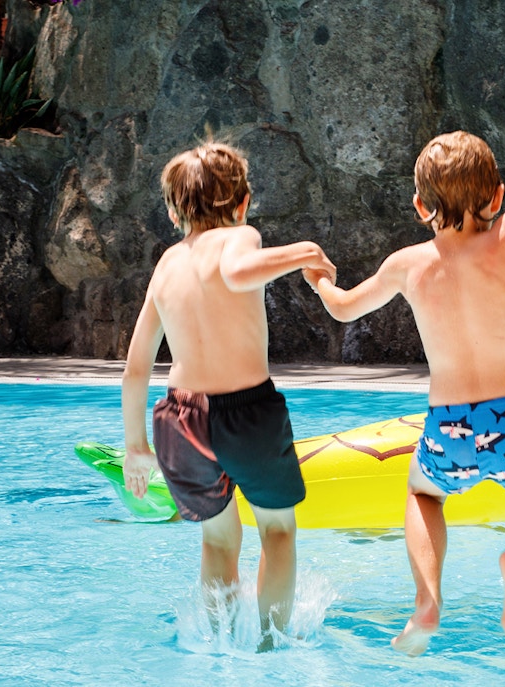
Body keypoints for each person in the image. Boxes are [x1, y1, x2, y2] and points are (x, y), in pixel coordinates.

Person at [303, 17, 505, 655]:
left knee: (421, 491)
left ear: (419, 208)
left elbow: (342, 311)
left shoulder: (408, 265)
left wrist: (321, 282)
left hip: (448, 429)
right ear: (497, 196)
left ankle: (428, 600)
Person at [122, 142, 336, 652]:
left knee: (218, 540)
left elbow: (134, 371)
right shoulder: (241, 236)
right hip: (245, 413)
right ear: (242, 202)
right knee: (278, 533)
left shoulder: (166, 265)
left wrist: (135, 448)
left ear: (174, 212)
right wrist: (306, 252)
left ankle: (218, 645)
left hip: (176, 420)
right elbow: (238, 273)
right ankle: (266, 646)